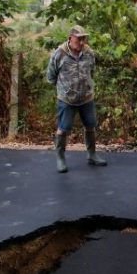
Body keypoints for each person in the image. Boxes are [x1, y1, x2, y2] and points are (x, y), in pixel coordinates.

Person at [46, 25, 107, 173]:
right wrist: (64, 89)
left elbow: (92, 71)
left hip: (86, 98)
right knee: (63, 129)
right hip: (67, 100)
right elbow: (50, 76)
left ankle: (91, 155)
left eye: (83, 39)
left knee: (90, 125)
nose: (81, 42)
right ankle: (60, 158)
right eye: (78, 39)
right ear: (70, 38)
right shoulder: (59, 54)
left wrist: (86, 86)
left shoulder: (89, 53)